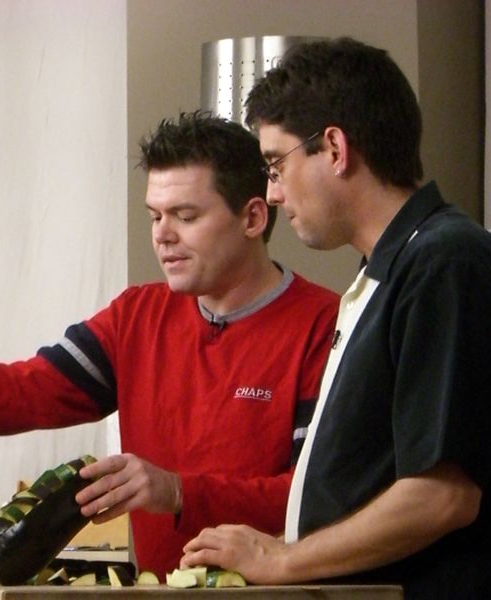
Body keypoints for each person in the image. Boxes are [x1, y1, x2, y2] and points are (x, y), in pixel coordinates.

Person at [0, 111, 338, 578]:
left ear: (252, 217)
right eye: (155, 216)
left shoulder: (323, 324)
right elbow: (27, 391)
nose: (163, 236)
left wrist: (176, 490)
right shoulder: (137, 315)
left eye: (186, 215)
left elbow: (314, 498)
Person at [180, 38, 491, 598]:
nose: (271, 192)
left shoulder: (444, 260)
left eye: (275, 163)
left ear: (334, 148)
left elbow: (443, 495)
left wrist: (283, 560)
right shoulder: (388, 271)